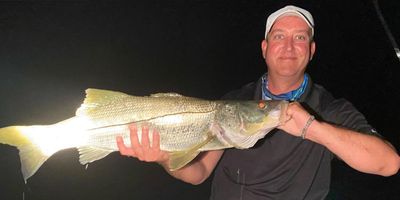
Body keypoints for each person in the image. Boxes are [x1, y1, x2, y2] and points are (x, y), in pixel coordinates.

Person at [116, 5, 400, 199]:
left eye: (299, 38)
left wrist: (312, 128)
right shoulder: (234, 102)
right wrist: (166, 158)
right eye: (279, 36)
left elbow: (388, 163)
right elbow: (199, 173)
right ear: (265, 48)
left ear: (311, 50)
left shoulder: (329, 108)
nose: (289, 46)